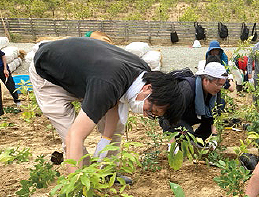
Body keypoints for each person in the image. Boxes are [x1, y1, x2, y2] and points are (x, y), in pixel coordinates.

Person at [30, 37, 184, 176]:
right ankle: (80, 185)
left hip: (86, 76)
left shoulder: (141, 74)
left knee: (115, 127)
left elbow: (115, 100)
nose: (146, 113)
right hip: (49, 75)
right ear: (148, 88)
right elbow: (75, 135)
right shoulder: (109, 83)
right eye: (151, 110)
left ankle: (107, 173)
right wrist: (77, 192)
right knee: (72, 136)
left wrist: (106, 139)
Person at [159, 61, 228, 143]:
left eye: (222, 85)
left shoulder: (215, 92)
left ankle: (197, 143)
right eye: (218, 84)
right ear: (206, 80)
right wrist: (172, 143)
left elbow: (214, 117)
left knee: (219, 107)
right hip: (174, 117)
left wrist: (214, 137)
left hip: (191, 115)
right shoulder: (187, 89)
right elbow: (167, 117)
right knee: (188, 134)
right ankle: (186, 143)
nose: (220, 88)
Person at [0, 48, 21, 116]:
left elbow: (3, 56)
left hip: (2, 68)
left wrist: (5, 69)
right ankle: (1, 112)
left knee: (10, 85)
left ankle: (17, 101)